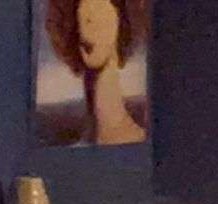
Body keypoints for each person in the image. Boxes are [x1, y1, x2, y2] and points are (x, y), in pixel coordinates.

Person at [44, 0, 149, 145]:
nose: (85, 24)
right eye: (79, 13)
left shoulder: (142, 142)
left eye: (99, 8)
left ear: (119, 21)